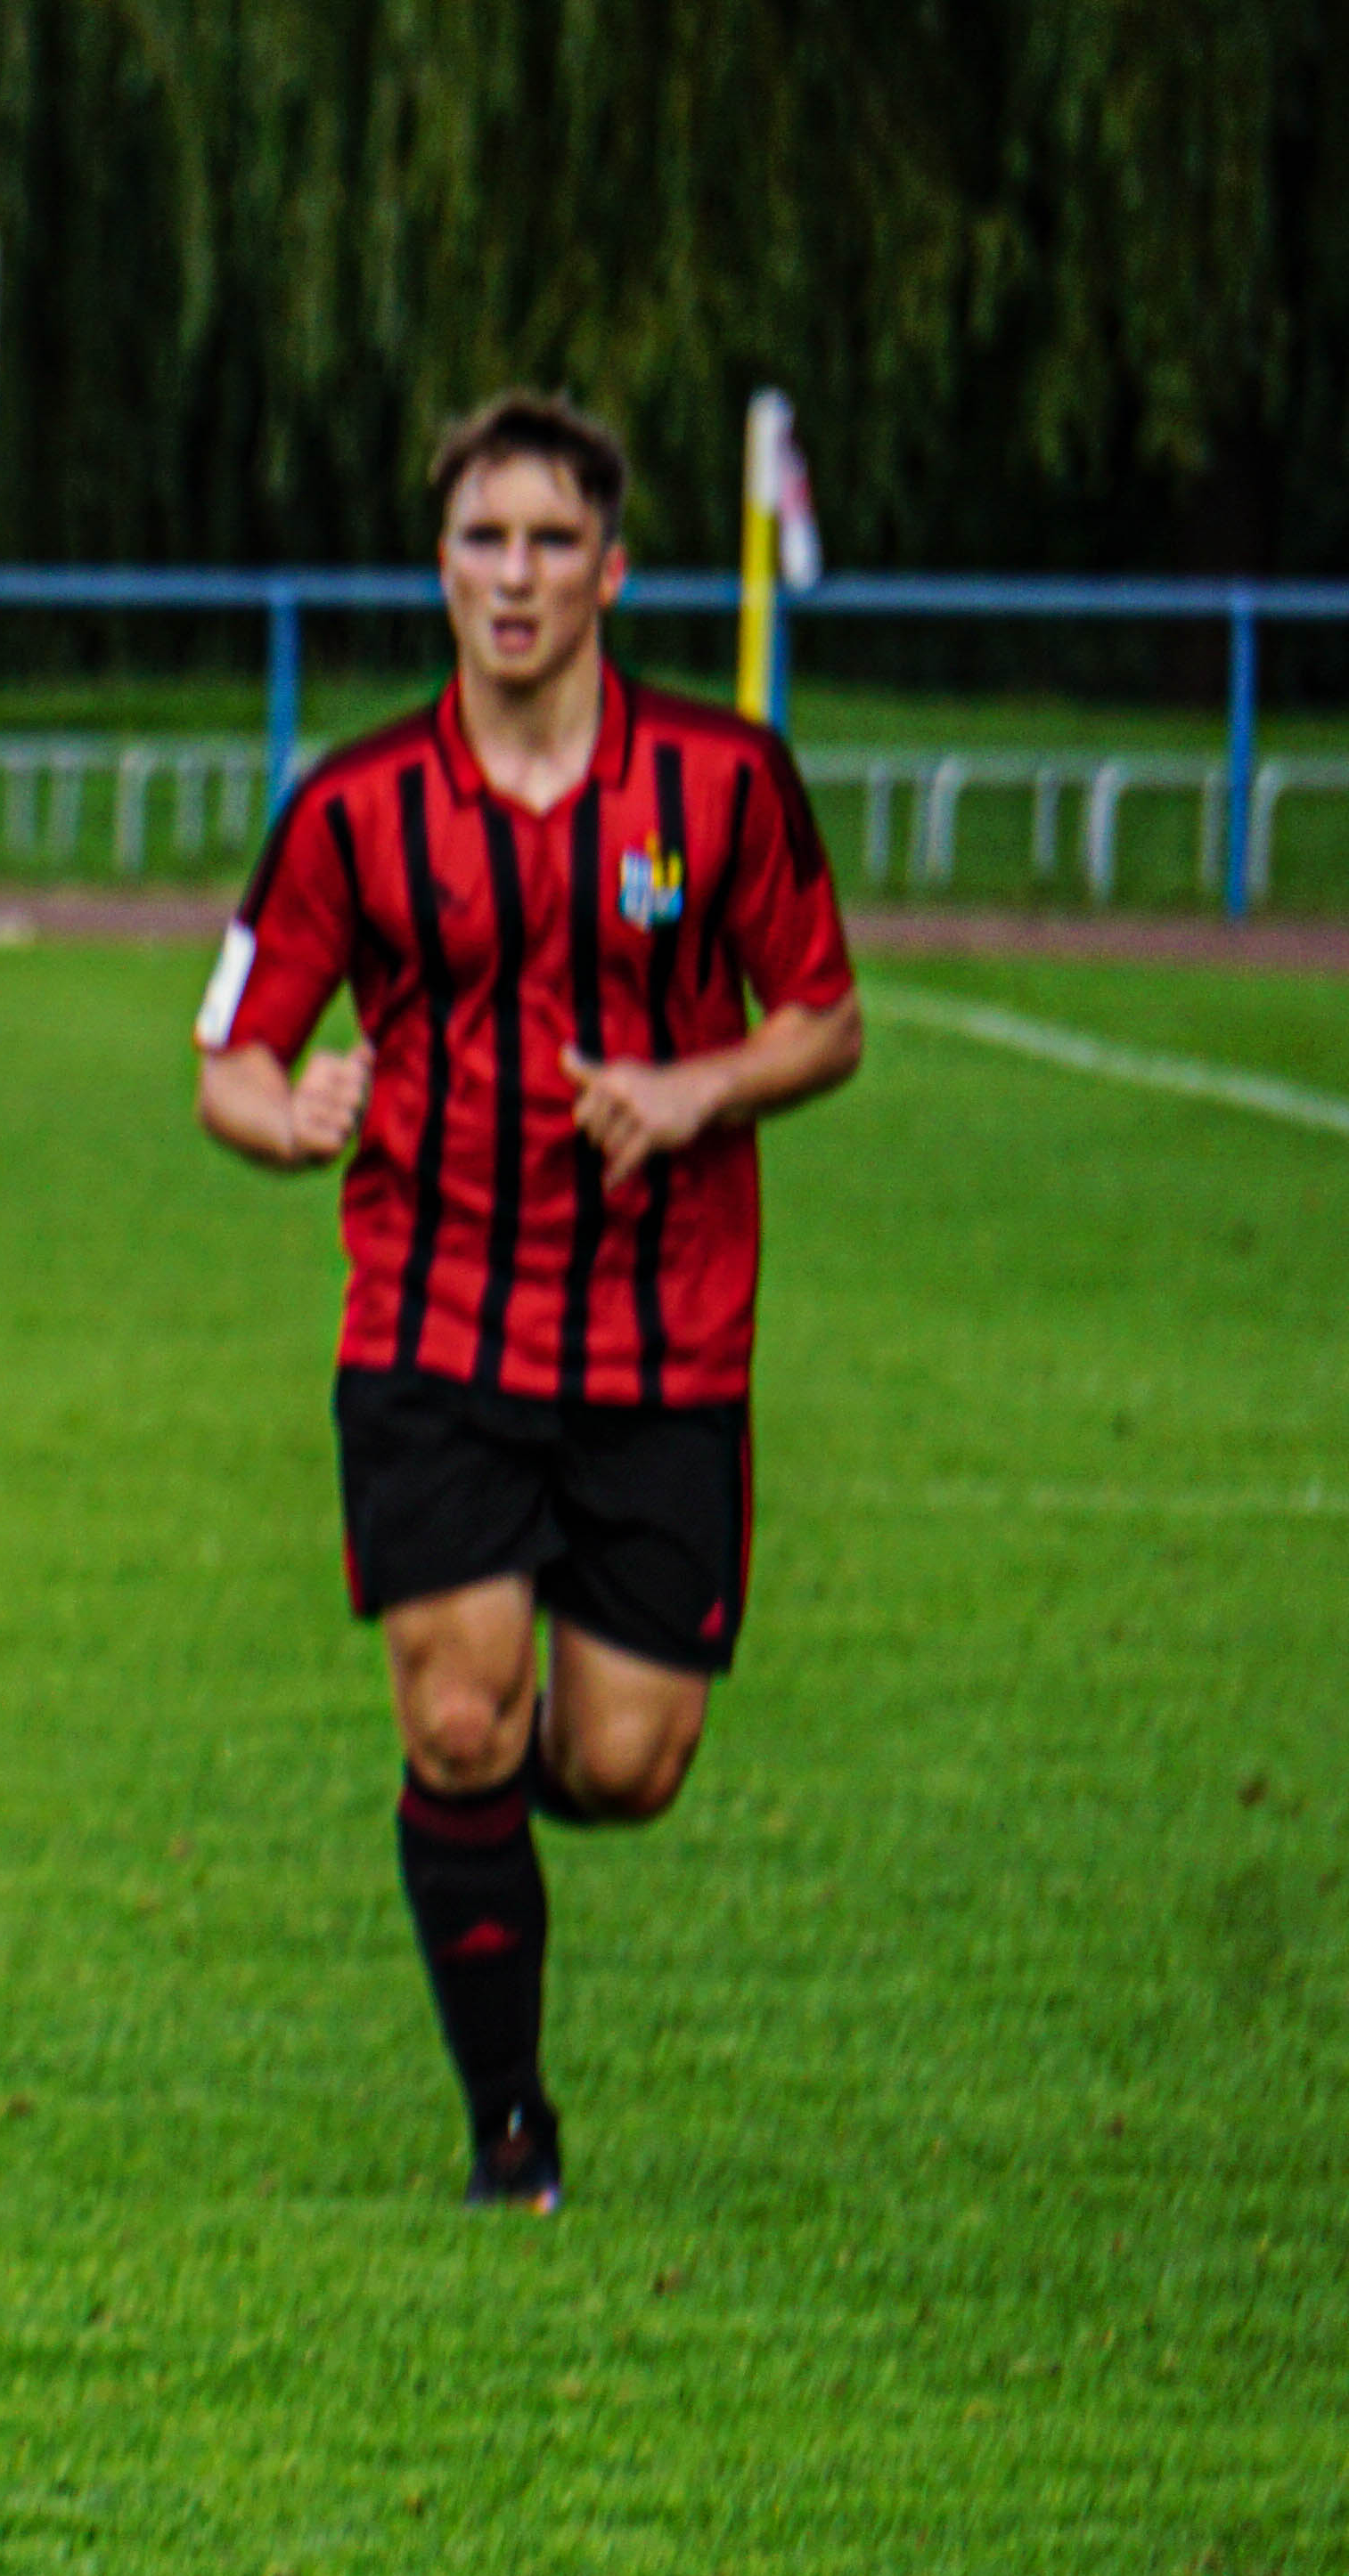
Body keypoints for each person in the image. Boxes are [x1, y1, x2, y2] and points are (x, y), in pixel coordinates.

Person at [192, 391, 862, 2210]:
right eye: (484, 539)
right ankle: (509, 2135)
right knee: (461, 1712)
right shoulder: (351, 804)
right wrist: (293, 1109)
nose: (515, 574)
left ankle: (473, 1818)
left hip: (667, 1343)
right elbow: (231, 1058)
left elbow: (827, 1016)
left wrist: (701, 1086)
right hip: (433, 1328)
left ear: (613, 569)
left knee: (628, 1764)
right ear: (441, 569)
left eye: (552, 540)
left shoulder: (724, 784)